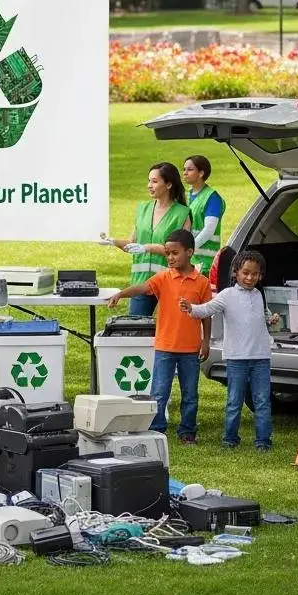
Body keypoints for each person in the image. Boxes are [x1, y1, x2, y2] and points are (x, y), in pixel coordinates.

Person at [106, 229, 210, 444]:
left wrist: (206, 341)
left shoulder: (202, 283)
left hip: (190, 349)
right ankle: (157, 429)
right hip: (165, 346)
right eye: (167, 254)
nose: (170, 258)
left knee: (190, 394)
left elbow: (206, 315)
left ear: (190, 252)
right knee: (159, 393)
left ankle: (187, 431)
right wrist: (120, 294)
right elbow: (143, 287)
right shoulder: (163, 277)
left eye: (175, 253)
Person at [180, 250, 276, 451]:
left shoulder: (260, 295)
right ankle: (230, 439)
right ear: (235, 273)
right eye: (245, 273)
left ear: (260, 276)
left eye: (255, 274)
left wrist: (272, 320)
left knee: (262, 401)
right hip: (237, 357)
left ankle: (263, 441)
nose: (250, 278)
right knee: (234, 401)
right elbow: (206, 309)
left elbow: (263, 317)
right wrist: (191, 308)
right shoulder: (227, 295)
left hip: (261, 357)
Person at [102, 161, 191, 317]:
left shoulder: (182, 213)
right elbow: (132, 243)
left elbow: (181, 253)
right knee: (137, 329)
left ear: (169, 185)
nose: (149, 185)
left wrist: (148, 247)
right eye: (149, 180)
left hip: (170, 282)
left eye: (154, 181)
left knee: (169, 329)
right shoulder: (143, 209)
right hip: (141, 282)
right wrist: (113, 241)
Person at [183, 155, 227, 275]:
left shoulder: (212, 197)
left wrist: (188, 250)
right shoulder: (185, 195)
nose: (185, 173)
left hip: (204, 262)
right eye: (184, 169)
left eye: (190, 169)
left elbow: (209, 230)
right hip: (188, 259)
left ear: (201, 173)